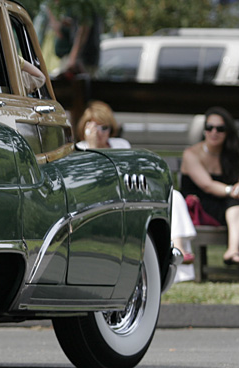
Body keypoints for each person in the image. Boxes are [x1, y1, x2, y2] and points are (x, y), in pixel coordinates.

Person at [74, 101, 196, 282]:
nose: (100, 133)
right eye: (95, 127)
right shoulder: (80, 149)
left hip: (128, 193)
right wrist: (93, 147)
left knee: (174, 196)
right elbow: (94, 180)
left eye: (105, 128)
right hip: (104, 200)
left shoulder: (119, 144)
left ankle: (178, 249)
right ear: (85, 128)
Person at [180, 106, 239, 285]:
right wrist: (233, 191)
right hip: (199, 206)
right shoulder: (191, 154)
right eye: (209, 127)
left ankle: (235, 253)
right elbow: (207, 185)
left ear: (228, 132)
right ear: (204, 130)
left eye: (220, 128)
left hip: (228, 205)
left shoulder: (232, 155)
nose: (214, 132)